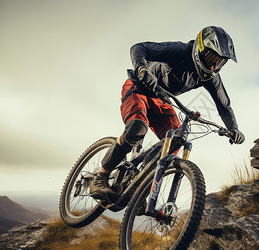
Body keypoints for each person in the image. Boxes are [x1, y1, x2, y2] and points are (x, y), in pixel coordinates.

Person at [90, 26, 245, 199]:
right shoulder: (180, 51)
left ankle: (142, 188)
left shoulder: (210, 77)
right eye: (211, 57)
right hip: (138, 87)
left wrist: (234, 128)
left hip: (161, 99)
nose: (214, 65)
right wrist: (142, 69)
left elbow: (224, 106)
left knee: (176, 140)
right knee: (137, 129)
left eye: (220, 61)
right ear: (200, 48)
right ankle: (101, 177)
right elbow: (139, 48)